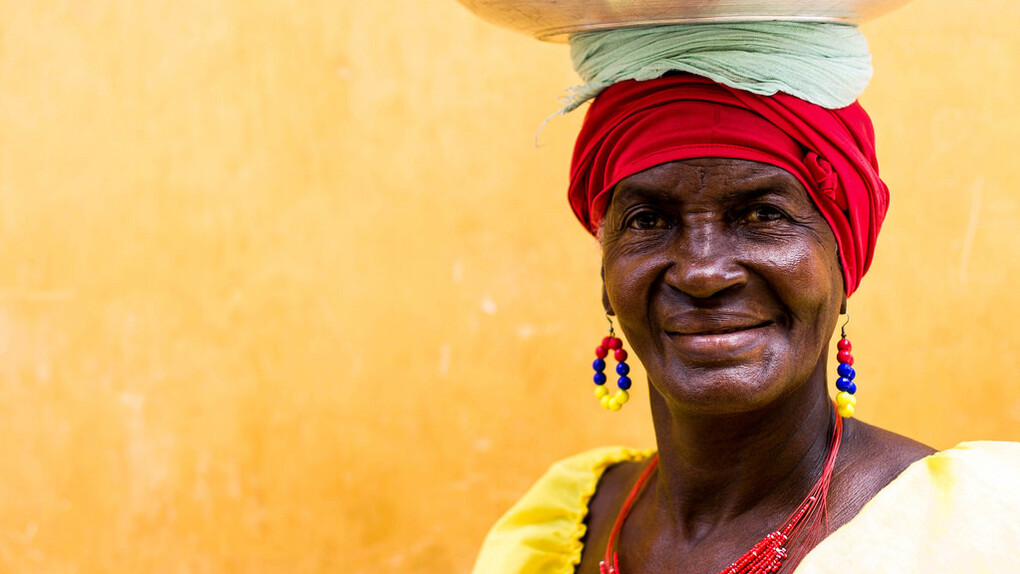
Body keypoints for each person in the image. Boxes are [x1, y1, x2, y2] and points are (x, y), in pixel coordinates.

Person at [470, 22, 1020, 574]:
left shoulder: (971, 532)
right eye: (648, 220)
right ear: (606, 276)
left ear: (843, 259)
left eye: (763, 214)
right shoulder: (558, 527)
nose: (703, 271)